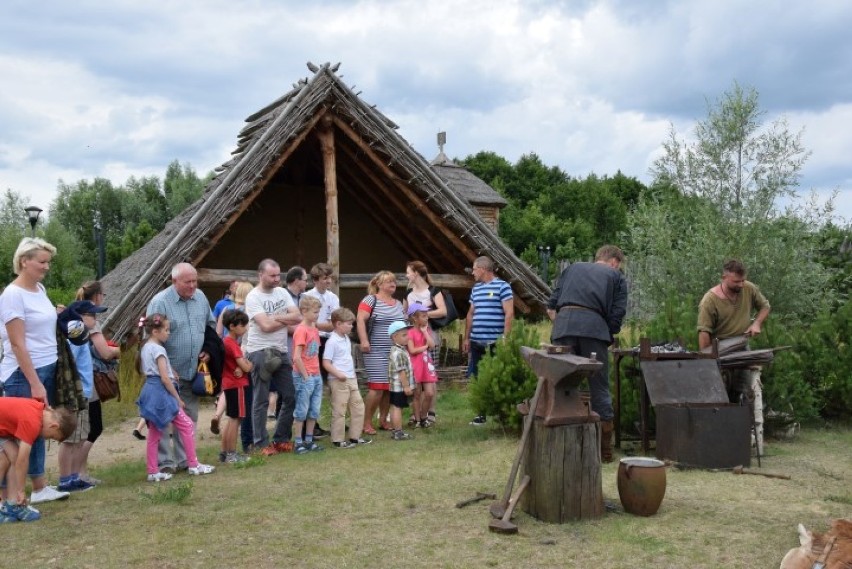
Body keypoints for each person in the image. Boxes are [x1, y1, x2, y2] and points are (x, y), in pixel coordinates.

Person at [0, 237, 70, 504]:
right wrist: (35, 383)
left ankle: (39, 487)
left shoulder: (38, 289)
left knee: (38, 430)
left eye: (47, 262)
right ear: (23, 261)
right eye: (42, 262)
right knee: (17, 438)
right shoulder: (12, 295)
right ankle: (10, 495)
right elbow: (17, 342)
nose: (46, 267)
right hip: (23, 373)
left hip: (45, 366)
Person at [546, 245, 627, 463]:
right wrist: (605, 332)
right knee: (599, 387)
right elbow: (617, 314)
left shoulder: (571, 269)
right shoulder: (615, 276)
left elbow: (551, 306)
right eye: (618, 265)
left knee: (559, 384)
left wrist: (564, 325)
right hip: (594, 330)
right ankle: (604, 452)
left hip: (563, 328)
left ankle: (559, 445)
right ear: (613, 262)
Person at [146, 262, 216, 474]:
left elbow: (210, 326)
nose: (193, 285)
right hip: (166, 375)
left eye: (195, 281)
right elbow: (150, 339)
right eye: (188, 282)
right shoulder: (160, 302)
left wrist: (208, 350)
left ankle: (186, 459)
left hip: (192, 370)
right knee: (163, 418)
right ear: (174, 281)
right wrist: (165, 367)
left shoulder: (201, 297)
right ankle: (165, 463)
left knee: (189, 416)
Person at [135, 314, 215, 482]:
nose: (168, 333)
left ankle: (152, 471)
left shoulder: (146, 347)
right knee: (186, 425)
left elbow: (157, 370)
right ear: (155, 331)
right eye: (166, 330)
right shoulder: (159, 349)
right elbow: (164, 378)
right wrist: (177, 399)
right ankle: (193, 465)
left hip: (149, 390)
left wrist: (171, 371)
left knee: (155, 432)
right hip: (162, 393)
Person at [243, 259, 301, 456]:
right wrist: (284, 319)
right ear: (261, 275)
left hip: (281, 350)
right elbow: (264, 327)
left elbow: (298, 316)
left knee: (290, 395)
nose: (277, 279)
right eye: (272, 276)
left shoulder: (282, 292)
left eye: (279, 275)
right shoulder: (253, 297)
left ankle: (281, 439)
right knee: (261, 400)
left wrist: (274, 318)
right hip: (259, 351)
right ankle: (261, 443)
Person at [697, 259, 771, 401]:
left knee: (743, 393)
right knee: (720, 395)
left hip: (742, 347)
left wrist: (756, 324)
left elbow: (765, 306)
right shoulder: (709, 300)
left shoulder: (749, 288)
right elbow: (704, 332)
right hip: (719, 350)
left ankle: (744, 419)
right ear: (724, 278)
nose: (741, 285)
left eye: (743, 280)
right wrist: (707, 361)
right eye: (736, 282)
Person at [57, 300, 110, 493]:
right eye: (92, 315)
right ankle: (65, 479)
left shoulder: (82, 335)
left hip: (85, 393)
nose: (95, 320)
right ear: (79, 316)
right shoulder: (74, 336)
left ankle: (74, 477)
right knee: (71, 439)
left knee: (80, 437)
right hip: (76, 393)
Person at [74, 281, 121, 486]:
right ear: (97, 296)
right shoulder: (90, 320)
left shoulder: (75, 316)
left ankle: (80, 473)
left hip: (81, 377)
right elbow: (104, 351)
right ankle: (77, 472)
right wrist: (120, 351)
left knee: (88, 427)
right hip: (89, 377)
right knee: (93, 427)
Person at [0, 398, 76, 522]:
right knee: (4, 460)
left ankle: (13, 505)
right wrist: (21, 490)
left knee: (13, 456)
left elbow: (48, 409)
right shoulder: (32, 423)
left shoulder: (42, 411)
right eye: (52, 436)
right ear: (54, 426)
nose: (46, 438)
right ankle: (14, 501)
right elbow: (22, 460)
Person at [463, 256, 514, 426]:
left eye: (474, 269)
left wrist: (506, 338)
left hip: (495, 341)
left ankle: (502, 413)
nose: (473, 273)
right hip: (477, 341)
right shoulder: (476, 289)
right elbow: (470, 314)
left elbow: (509, 313)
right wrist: (467, 337)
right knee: (477, 378)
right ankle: (481, 414)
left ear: (483, 269)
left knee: (497, 377)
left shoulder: (503, 286)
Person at [356, 270, 405, 435]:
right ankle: (366, 422)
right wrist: (364, 340)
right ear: (379, 284)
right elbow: (360, 319)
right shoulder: (371, 300)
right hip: (375, 350)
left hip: (394, 352)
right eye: (389, 281)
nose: (393, 284)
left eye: (394, 281)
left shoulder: (398, 304)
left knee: (388, 387)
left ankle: (383, 420)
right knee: (377, 387)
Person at [404, 260, 446, 423]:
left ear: (416, 273)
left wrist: (424, 314)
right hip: (413, 335)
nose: (407, 275)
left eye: (408, 272)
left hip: (429, 335)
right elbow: (405, 312)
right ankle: (417, 412)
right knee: (416, 374)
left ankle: (431, 411)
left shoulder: (433, 291)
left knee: (430, 373)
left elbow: (443, 311)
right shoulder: (408, 293)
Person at [322, 308, 370, 448]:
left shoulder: (346, 338)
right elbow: (326, 362)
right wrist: (338, 374)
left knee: (358, 407)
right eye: (348, 324)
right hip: (338, 380)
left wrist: (352, 373)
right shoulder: (332, 341)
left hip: (351, 378)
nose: (351, 326)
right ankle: (337, 439)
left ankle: (355, 436)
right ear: (338, 324)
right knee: (340, 410)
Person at [292, 296, 324, 455]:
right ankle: (298, 442)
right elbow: (297, 357)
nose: (317, 315)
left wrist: (317, 374)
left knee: (314, 410)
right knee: (301, 410)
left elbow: (315, 353)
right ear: (304, 311)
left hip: (315, 374)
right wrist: (306, 376)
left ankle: (309, 440)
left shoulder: (314, 329)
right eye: (315, 312)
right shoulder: (301, 330)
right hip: (304, 376)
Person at [218, 309, 252, 464]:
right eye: (242, 325)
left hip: (229, 383)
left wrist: (243, 365)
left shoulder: (226, 341)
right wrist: (249, 364)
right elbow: (246, 368)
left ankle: (224, 452)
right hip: (237, 385)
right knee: (236, 420)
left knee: (232, 418)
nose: (245, 328)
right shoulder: (232, 344)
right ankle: (232, 454)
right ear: (232, 326)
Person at [304, 262, 340, 383]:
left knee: (326, 374)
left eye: (330, 277)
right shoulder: (306, 296)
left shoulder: (333, 298)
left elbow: (332, 325)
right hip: (310, 339)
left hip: (327, 339)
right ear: (315, 280)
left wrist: (315, 325)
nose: (329, 281)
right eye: (325, 278)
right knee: (311, 372)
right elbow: (304, 322)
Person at [406, 302, 438, 428]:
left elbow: (432, 345)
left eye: (426, 315)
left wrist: (425, 332)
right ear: (415, 318)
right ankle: (417, 420)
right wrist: (424, 347)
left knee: (429, 393)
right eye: (423, 316)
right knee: (417, 394)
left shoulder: (427, 330)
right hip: (416, 366)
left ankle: (424, 416)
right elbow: (412, 350)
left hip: (426, 366)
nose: (427, 318)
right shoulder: (410, 333)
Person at [387, 320, 414, 441]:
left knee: (394, 406)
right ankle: (398, 431)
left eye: (407, 334)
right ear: (394, 337)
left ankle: (395, 430)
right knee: (398, 407)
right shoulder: (399, 353)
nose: (407, 337)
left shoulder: (398, 349)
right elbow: (401, 371)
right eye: (404, 335)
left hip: (394, 386)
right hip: (399, 386)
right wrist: (406, 386)